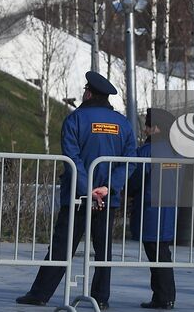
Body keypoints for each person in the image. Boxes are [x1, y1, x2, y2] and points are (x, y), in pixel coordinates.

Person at [17, 70, 137, 308]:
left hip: (77, 198)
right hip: (107, 199)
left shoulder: (76, 120)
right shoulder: (123, 124)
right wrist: (108, 187)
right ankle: (100, 300)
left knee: (62, 246)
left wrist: (88, 189)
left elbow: (72, 159)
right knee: (103, 251)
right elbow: (131, 159)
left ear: (89, 93)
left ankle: (41, 294)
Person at [128, 108, 179, 309]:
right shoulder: (176, 151)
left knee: (156, 255)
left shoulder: (148, 151)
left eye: (148, 126)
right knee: (163, 253)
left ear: (155, 128)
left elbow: (134, 179)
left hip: (151, 211)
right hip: (169, 209)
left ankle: (162, 297)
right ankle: (165, 296)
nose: (146, 130)